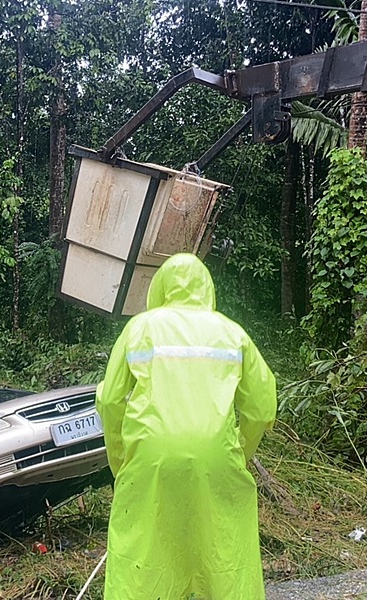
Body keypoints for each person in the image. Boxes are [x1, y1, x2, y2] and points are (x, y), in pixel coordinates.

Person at [96, 253, 278, 600]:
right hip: (217, 456)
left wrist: (121, 460)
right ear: (207, 286)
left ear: (160, 287)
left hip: (150, 456)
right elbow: (262, 404)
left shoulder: (140, 328)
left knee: (144, 546)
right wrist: (239, 452)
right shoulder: (231, 332)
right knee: (225, 545)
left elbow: (109, 401)